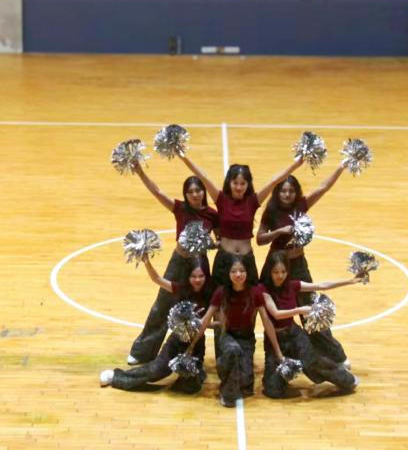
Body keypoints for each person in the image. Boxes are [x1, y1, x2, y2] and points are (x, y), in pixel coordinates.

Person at [256, 161, 351, 365]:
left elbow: (323, 187)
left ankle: (335, 356)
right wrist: (279, 232)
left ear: (296, 192)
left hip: (298, 264)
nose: (287, 194)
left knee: (311, 309)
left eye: (291, 191)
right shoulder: (271, 211)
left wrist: (341, 167)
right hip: (276, 266)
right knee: (270, 310)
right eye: (283, 191)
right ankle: (276, 355)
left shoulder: (301, 205)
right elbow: (260, 239)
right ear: (277, 193)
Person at [126, 161, 218, 365]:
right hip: (179, 261)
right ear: (185, 194)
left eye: (198, 190)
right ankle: (142, 352)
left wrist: (209, 243)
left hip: (199, 264)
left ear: (204, 192)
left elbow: (220, 240)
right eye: (190, 192)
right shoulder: (180, 209)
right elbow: (157, 192)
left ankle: (189, 351)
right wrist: (140, 172)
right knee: (162, 305)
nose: (195, 195)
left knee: (196, 308)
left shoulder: (212, 215)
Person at [178, 153, 304, 288]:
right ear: (229, 183)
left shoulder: (253, 201)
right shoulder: (221, 199)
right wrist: (184, 158)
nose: (239, 187)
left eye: (243, 183)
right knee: (220, 297)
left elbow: (274, 181)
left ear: (248, 184)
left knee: (251, 296)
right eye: (235, 183)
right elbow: (203, 177)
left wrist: (296, 164)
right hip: (224, 259)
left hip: (246, 259)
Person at [100, 256, 212, 394]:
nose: (197, 280)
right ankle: (116, 376)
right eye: (193, 276)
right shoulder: (181, 288)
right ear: (188, 276)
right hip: (177, 341)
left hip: (196, 344)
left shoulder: (211, 293)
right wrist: (147, 261)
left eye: (201, 276)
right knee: (157, 370)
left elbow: (217, 322)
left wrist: (199, 324)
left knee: (190, 386)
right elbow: (157, 279)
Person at [260, 251, 361, 398]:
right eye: (276, 272)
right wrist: (279, 354)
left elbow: (321, 285)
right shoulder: (263, 290)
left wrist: (350, 281)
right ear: (269, 272)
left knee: (314, 362)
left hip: (294, 334)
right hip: (275, 339)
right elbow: (275, 314)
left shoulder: (292, 285)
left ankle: (348, 380)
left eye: (283, 272)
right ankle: (280, 380)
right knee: (272, 390)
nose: (280, 276)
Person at [192, 258, 284, 407]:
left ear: (247, 272)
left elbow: (267, 322)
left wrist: (278, 352)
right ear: (228, 274)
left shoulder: (255, 292)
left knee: (245, 384)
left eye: (242, 271)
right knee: (232, 350)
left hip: (246, 338)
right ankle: (227, 395)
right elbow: (206, 318)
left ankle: (231, 374)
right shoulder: (221, 292)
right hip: (227, 335)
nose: (238, 274)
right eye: (234, 271)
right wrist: (190, 347)